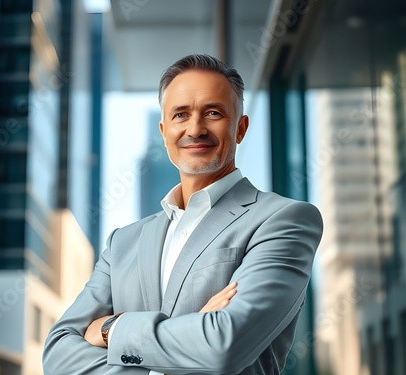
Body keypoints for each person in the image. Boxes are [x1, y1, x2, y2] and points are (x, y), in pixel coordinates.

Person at [43, 54, 323, 374]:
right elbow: (58, 355)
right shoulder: (123, 242)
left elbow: (224, 347)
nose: (195, 129)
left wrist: (111, 328)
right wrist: (189, 339)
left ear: (240, 128)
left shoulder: (284, 220)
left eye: (213, 113)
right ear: (164, 132)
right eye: (180, 115)